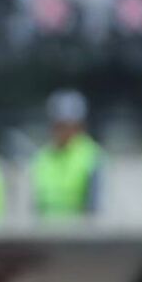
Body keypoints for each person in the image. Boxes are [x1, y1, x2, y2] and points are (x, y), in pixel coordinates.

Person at [32, 90, 104, 218]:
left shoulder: (92, 157)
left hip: (80, 235)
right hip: (45, 234)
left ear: (79, 126)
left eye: (66, 125)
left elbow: (94, 209)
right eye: (58, 125)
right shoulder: (42, 157)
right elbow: (36, 205)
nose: (61, 131)